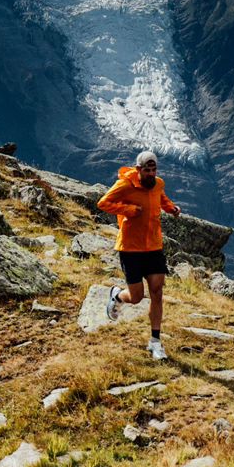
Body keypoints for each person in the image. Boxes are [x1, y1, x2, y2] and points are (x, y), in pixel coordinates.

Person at [98, 150, 179, 360]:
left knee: (157, 292)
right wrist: (128, 210)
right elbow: (103, 203)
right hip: (130, 249)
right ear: (138, 170)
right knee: (136, 297)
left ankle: (155, 342)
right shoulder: (125, 185)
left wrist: (172, 209)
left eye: (154, 170)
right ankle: (117, 295)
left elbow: (161, 199)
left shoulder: (158, 183)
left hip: (153, 246)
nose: (151, 174)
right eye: (147, 170)